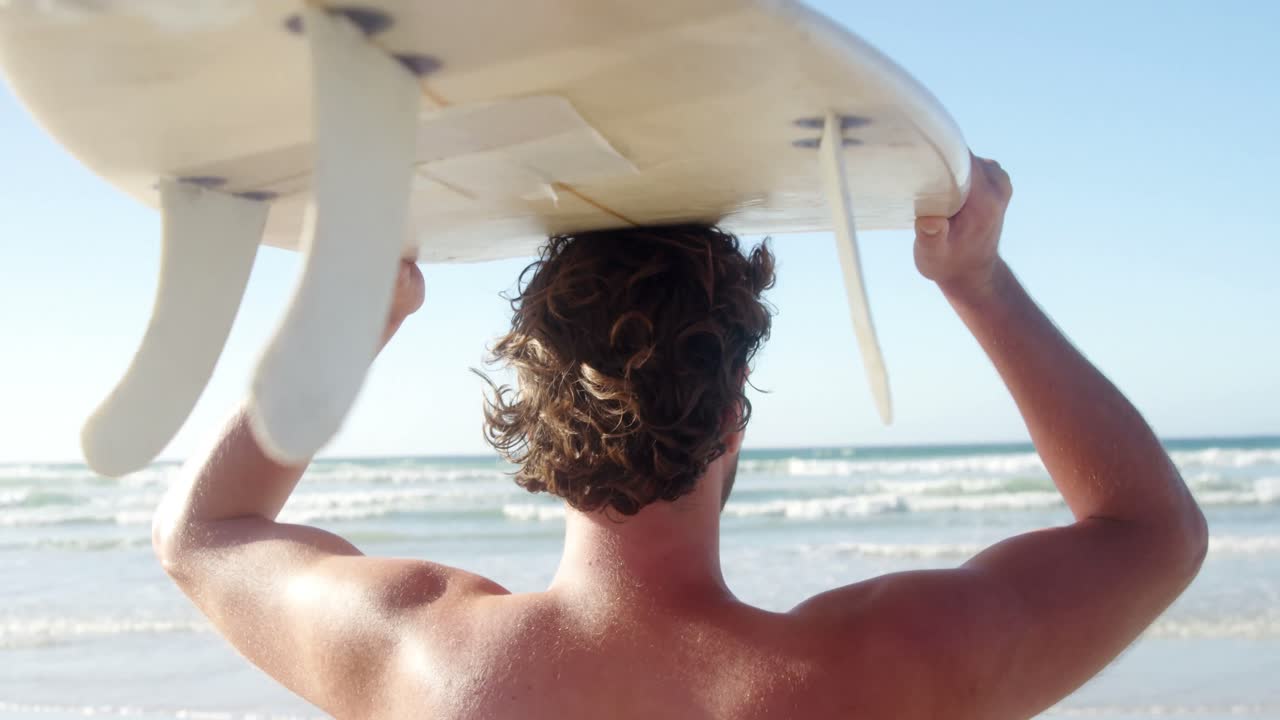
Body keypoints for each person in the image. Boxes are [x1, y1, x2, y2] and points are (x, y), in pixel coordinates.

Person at [152, 155, 1207, 719]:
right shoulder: (876, 673)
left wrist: (350, 321)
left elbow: (204, 529)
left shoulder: (417, 658)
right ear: (733, 415)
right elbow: (1148, 532)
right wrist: (977, 285)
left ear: (532, 412)